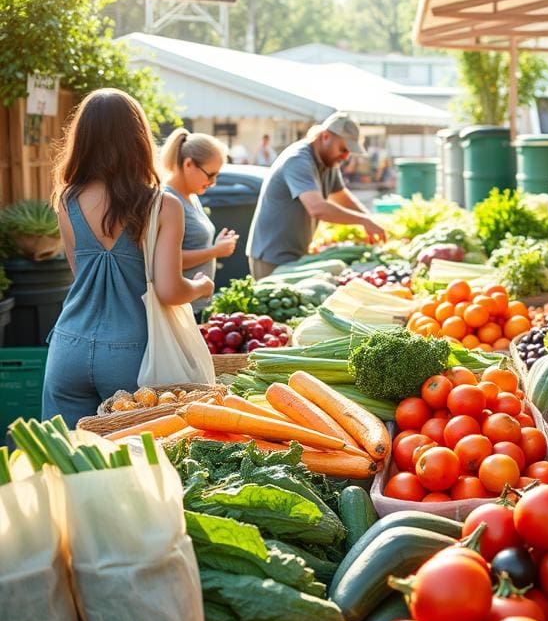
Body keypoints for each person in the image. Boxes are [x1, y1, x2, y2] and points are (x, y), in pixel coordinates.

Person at [43, 89, 214, 426]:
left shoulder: (67, 200)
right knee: (132, 464)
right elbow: (168, 290)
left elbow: (81, 275)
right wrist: (200, 286)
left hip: (67, 346)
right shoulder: (163, 205)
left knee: (66, 461)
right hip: (132, 354)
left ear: (83, 138)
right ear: (138, 137)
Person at [246, 111, 386, 279]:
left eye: (349, 151)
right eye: (343, 149)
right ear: (325, 136)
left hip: (296, 254)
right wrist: (363, 220)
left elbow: (342, 197)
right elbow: (317, 208)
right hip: (272, 257)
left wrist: (370, 220)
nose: (345, 156)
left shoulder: (329, 163)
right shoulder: (298, 160)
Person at [159, 128, 239, 317]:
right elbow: (168, 260)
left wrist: (215, 245)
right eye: (210, 175)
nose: (214, 182)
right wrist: (215, 251)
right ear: (188, 164)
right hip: (182, 310)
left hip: (196, 305)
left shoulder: (191, 197)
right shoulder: (169, 201)